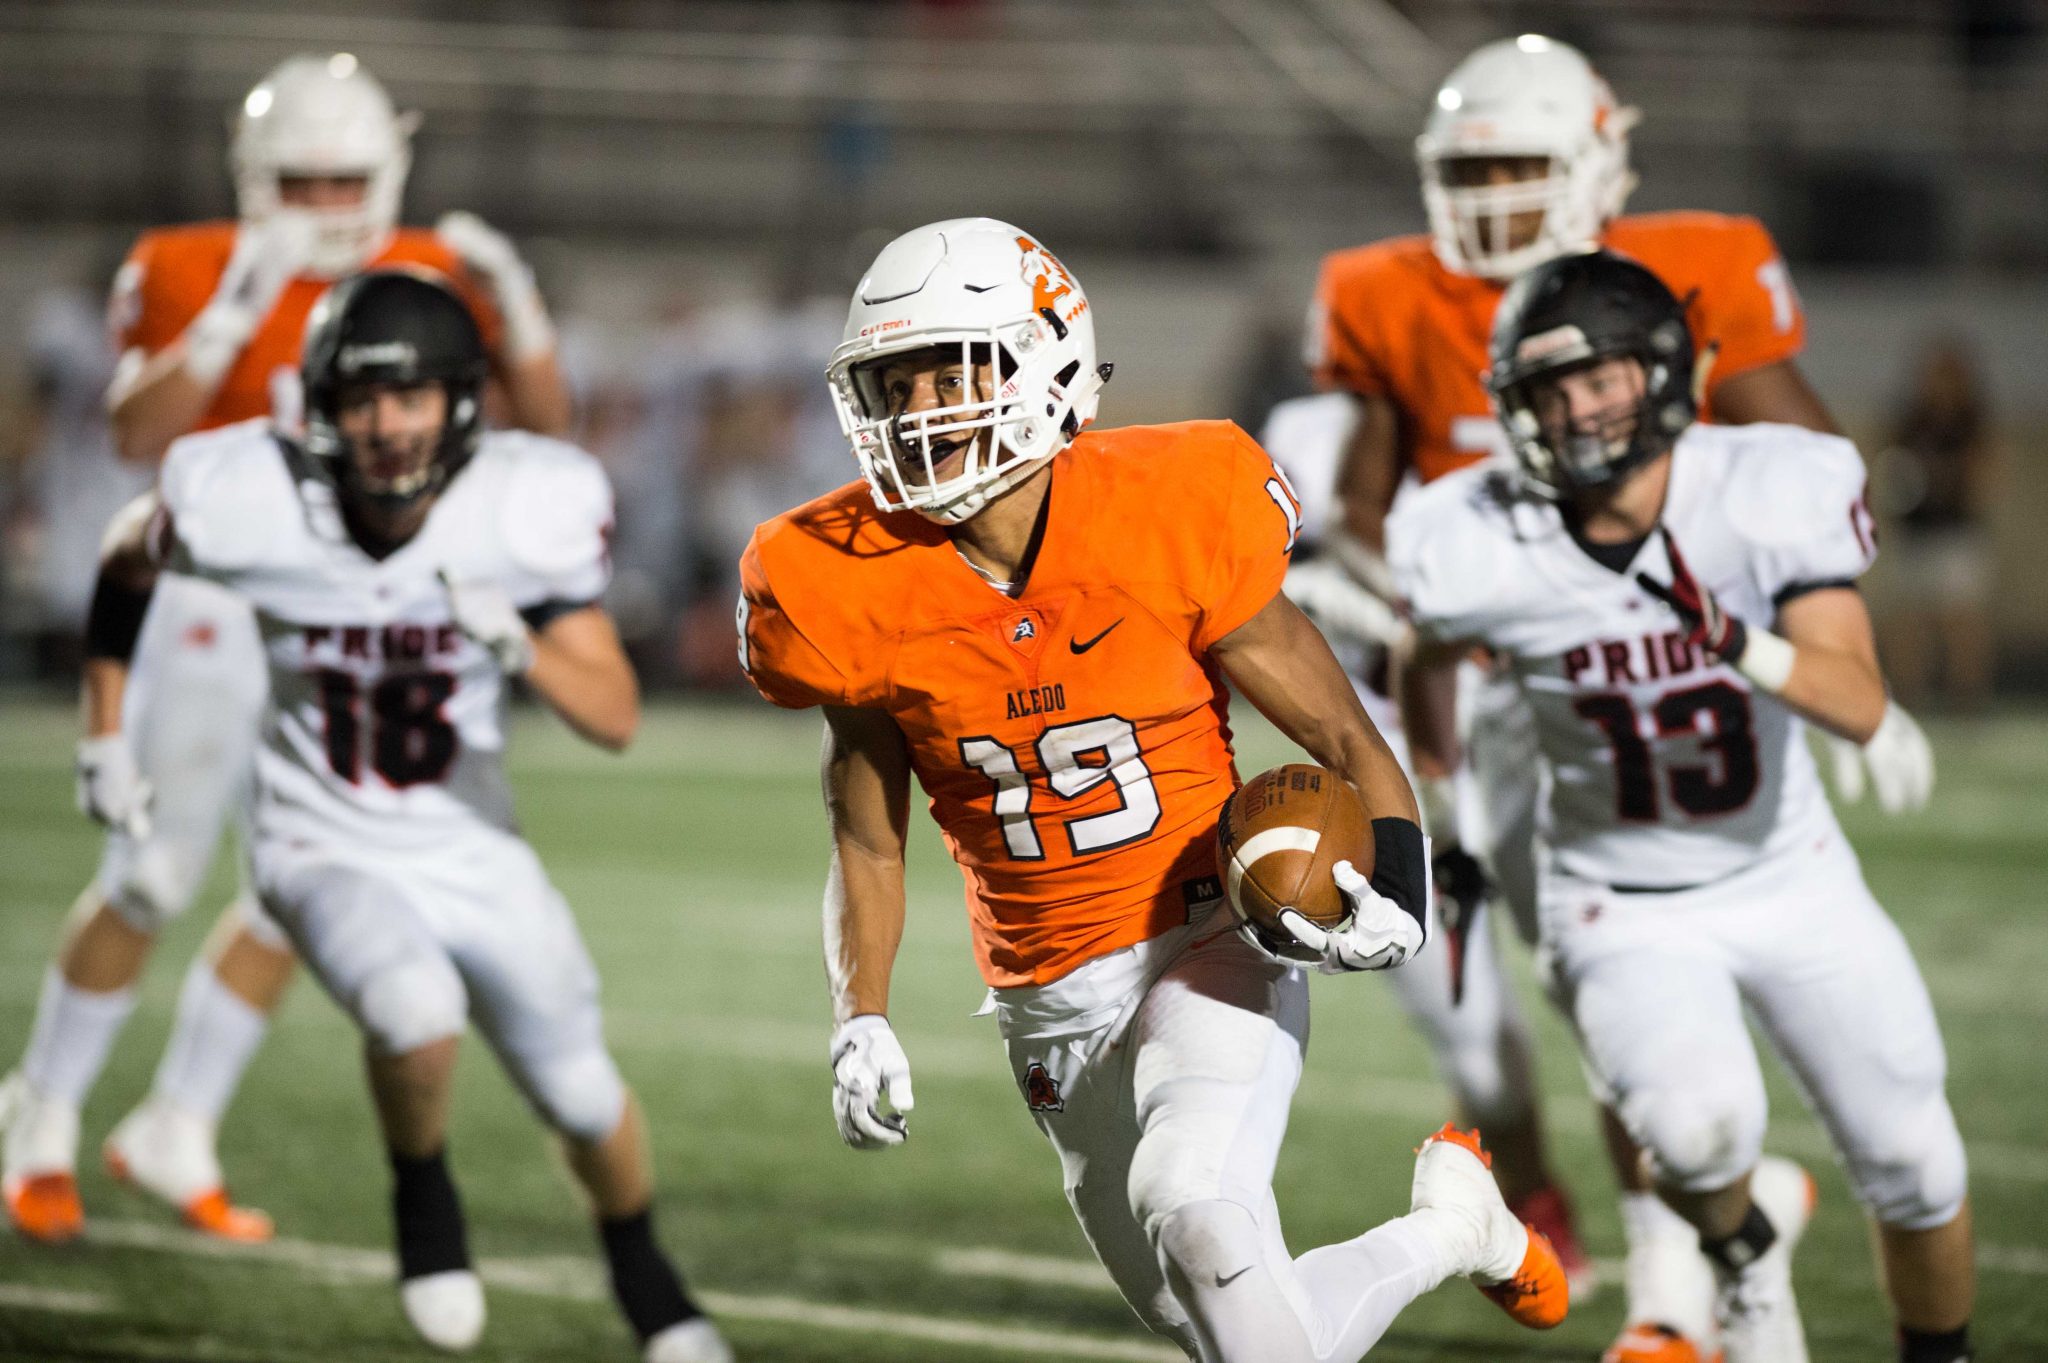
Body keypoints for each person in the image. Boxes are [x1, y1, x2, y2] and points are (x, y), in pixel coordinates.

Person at [736, 217, 1568, 1362]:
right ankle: (1448, 1228)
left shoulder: (1169, 506)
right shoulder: (840, 578)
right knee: (1218, 1319)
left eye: (949, 371)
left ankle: (1445, 1223)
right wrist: (859, 1014)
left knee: (1193, 1208)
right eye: (892, 383)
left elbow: (1339, 729)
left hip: (1206, 933)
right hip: (1045, 1000)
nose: (918, 410)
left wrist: (1402, 893)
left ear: (1046, 363)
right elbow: (868, 842)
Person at [1302, 34, 1933, 1361]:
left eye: (1524, 165)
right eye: (1470, 168)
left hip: (1649, 670)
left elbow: (1804, 460)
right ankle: (1696, 1240)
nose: (1494, 195)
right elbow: (1364, 507)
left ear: (1597, 160)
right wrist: (1414, 602)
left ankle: (1671, 1290)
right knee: (1594, 979)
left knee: (1621, 976)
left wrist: (1791, 628)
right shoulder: (1381, 286)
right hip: (1498, 678)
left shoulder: (1694, 260)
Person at [72, 270, 730, 1363]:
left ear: (460, 401)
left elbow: (614, 714)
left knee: (581, 1090)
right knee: (412, 1008)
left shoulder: (521, 507)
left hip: (470, 844)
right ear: (321, 405)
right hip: (316, 838)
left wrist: (521, 647)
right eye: (362, 399)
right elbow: (124, 555)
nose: (384, 426)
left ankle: (643, 1271)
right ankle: (426, 1205)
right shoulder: (253, 494)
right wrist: (103, 732)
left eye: (410, 397)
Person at [0, 51, 572, 1244]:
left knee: (309, 886)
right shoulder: (185, 261)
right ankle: (39, 1115)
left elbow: (543, 439)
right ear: (255, 175)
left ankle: (177, 1122)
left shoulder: (427, 270)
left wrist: (519, 322)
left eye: (342, 179)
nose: (321, 205)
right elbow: (130, 438)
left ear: (389, 167)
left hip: (355, 612)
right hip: (209, 604)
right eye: (297, 179)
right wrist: (221, 317)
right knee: (154, 873)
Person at [1388, 249, 1975, 1363]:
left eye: (1596, 380)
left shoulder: (1758, 486)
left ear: (1659, 374)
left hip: (1787, 871)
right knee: (1695, 1134)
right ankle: (1747, 1268)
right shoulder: (1477, 533)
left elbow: (1852, 697)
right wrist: (1449, 811)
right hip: (1616, 897)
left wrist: (1729, 638)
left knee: (1916, 1161)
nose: (1574, 411)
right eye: (1546, 390)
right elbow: (1421, 648)